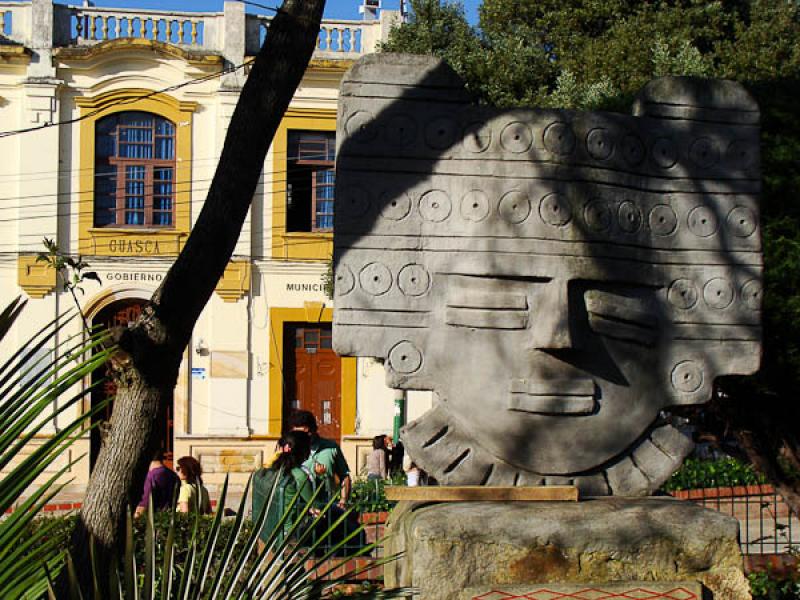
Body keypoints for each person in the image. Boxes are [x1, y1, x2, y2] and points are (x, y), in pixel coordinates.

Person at [252, 430, 316, 547]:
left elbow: (265, 467)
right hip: (290, 532)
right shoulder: (299, 475)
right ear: (303, 451)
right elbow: (313, 503)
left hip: (269, 529)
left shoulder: (271, 471)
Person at [287, 410, 351, 507]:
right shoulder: (288, 448)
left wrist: (343, 501)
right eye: (298, 435)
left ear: (313, 429)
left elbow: (344, 476)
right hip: (298, 510)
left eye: (305, 434)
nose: (302, 438)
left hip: (325, 507)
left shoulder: (332, 447)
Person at [135, 448, 179, 517]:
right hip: (168, 518)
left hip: (152, 519)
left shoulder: (150, 476)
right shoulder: (174, 475)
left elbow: (145, 503)